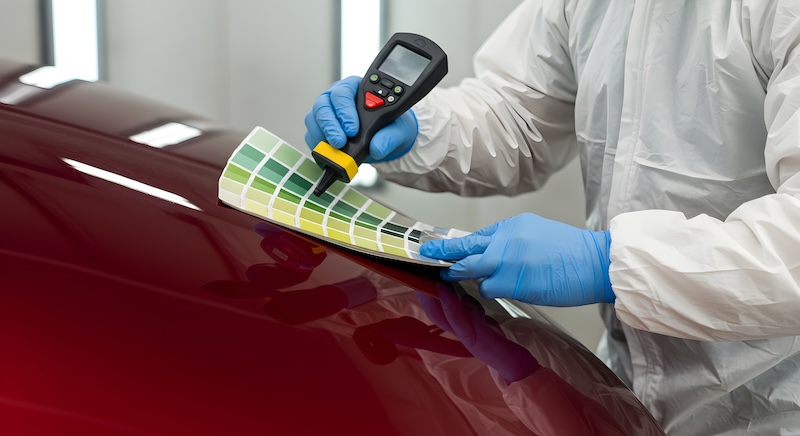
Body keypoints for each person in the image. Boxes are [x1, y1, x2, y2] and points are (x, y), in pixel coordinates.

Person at [304, 1, 800, 434]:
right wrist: (418, 129)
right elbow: (519, 114)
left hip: (773, 405)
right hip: (626, 389)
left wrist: (610, 262)